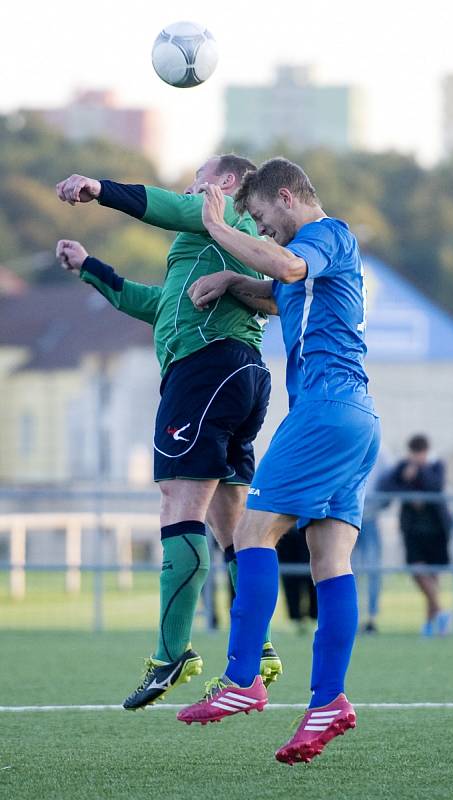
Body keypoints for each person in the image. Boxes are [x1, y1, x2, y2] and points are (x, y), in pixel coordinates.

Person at [55, 155, 282, 709]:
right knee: (231, 525)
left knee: (179, 505)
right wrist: (90, 266)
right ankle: (261, 650)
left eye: (199, 175)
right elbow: (155, 304)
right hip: (241, 373)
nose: (190, 185)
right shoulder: (212, 245)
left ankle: (170, 653)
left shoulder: (217, 212)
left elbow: (166, 205)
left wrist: (98, 187)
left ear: (226, 182)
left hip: (205, 368)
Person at [177, 158, 381, 766]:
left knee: (251, 531)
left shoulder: (325, 233)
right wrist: (236, 284)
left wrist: (219, 228)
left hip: (323, 409)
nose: (261, 231)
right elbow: (283, 289)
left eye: (262, 218)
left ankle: (243, 679)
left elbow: (289, 266)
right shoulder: (316, 258)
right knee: (329, 561)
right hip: (357, 418)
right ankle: (328, 704)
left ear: (287, 198)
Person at [380, 434, 452, 636]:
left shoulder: (436, 465)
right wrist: (406, 482)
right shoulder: (404, 465)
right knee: (417, 571)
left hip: (437, 530)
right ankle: (441, 612)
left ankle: (430, 625)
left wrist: (421, 469)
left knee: (434, 576)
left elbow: (436, 486)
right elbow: (387, 485)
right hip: (412, 530)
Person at [352, 450, 390, 634]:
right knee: (346, 569)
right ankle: (351, 617)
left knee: (373, 569)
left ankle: (371, 618)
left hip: (369, 518)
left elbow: (388, 483)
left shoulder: (382, 450)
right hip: (346, 516)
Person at [277, 526, 317, 632]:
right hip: (286, 528)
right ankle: (295, 619)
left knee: (314, 574)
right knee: (289, 578)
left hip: (309, 524)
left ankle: (314, 617)